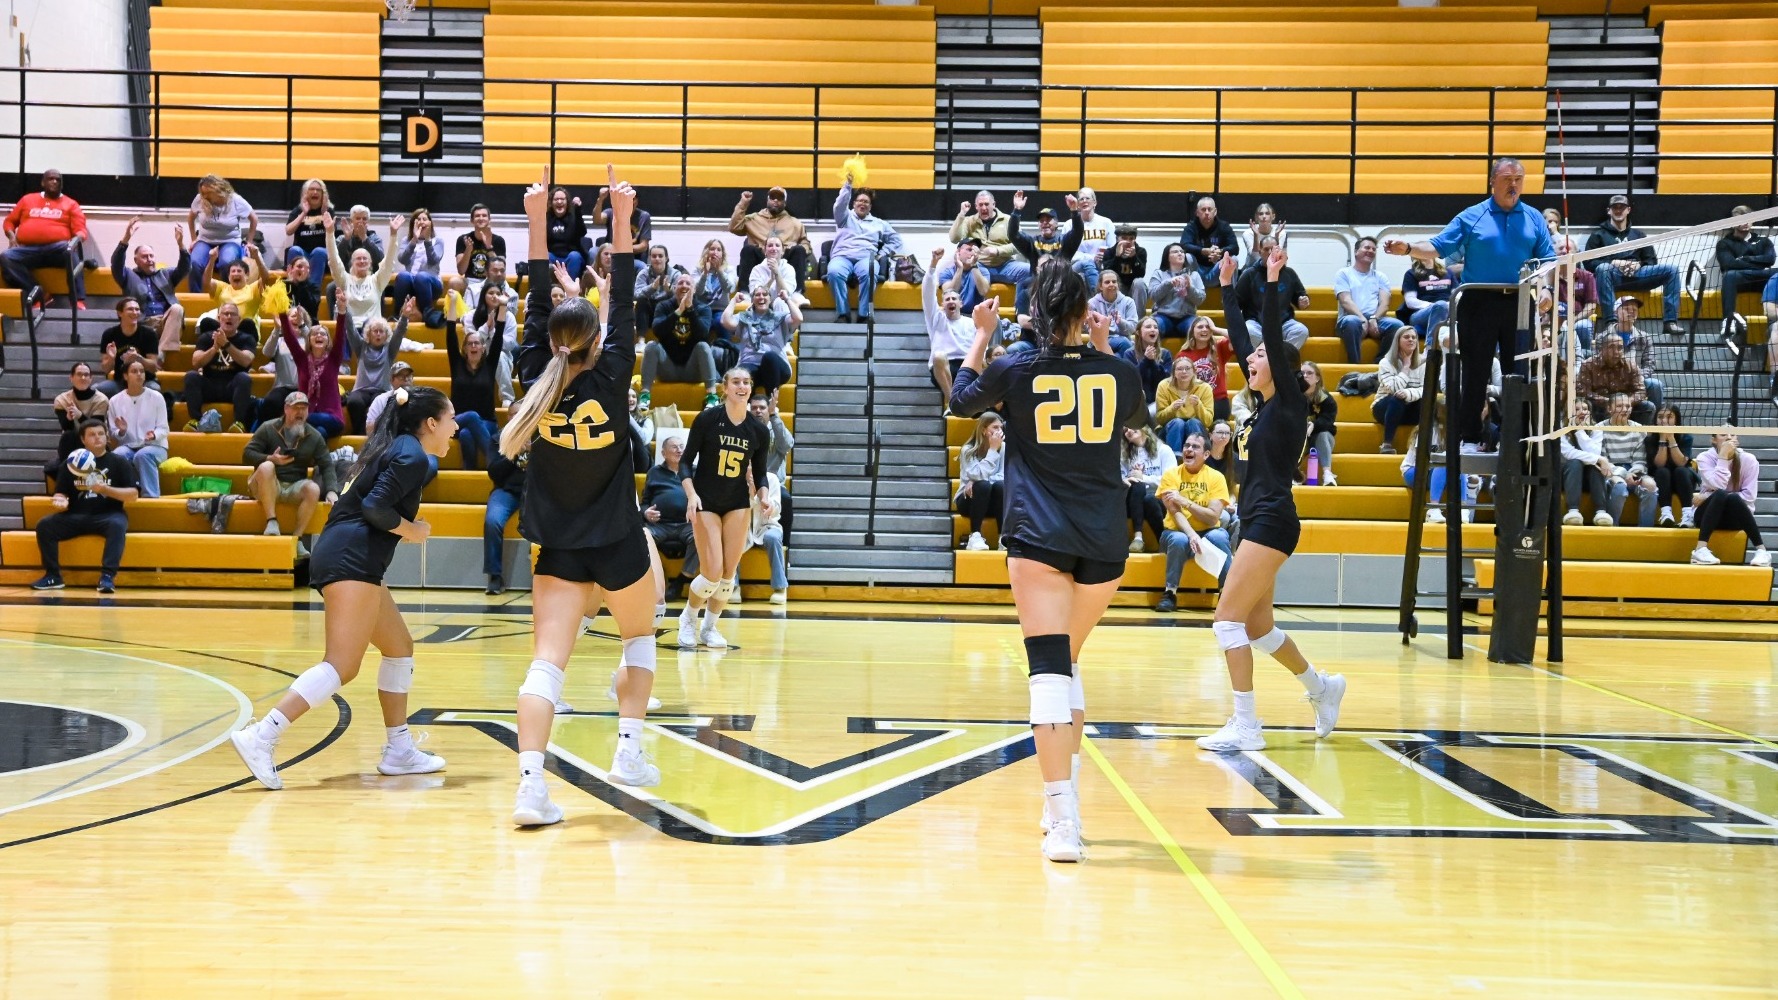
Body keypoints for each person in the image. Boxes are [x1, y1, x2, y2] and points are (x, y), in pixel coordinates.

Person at [949, 252, 1142, 863]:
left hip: (1041, 538)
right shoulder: (1120, 372)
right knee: (1069, 662)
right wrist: (1107, 350)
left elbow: (959, 399)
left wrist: (980, 337)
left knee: (1050, 674)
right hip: (1106, 543)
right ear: (1087, 313)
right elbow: (1133, 416)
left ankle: (1064, 819)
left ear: (1034, 312)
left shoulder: (1016, 367)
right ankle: (1065, 800)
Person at [498, 166, 661, 826]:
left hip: (557, 544)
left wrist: (536, 220)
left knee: (546, 666)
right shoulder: (614, 369)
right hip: (617, 539)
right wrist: (621, 218)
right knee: (640, 642)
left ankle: (530, 789)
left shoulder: (535, 367)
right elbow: (621, 296)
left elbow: (536, 298)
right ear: (597, 344)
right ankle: (629, 751)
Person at [228, 385, 455, 789]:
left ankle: (400, 750)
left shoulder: (396, 446)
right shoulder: (412, 455)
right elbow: (375, 508)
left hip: (349, 554)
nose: (454, 428)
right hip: (352, 557)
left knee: (399, 647)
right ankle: (261, 736)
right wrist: (412, 530)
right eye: (450, 419)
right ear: (431, 423)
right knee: (342, 664)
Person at [1197, 247, 1346, 755]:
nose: (1250, 357)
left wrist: (1274, 281)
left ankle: (1246, 725)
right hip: (1257, 520)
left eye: (1261, 356)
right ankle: (1323, 689)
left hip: (1272, 519)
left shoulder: (1285, 402)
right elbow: (1240, 336)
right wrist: (1226, 285)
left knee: (1226, 621)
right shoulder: (1261, 408)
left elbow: (1265, 332)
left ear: (1281, 368)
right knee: (1257, 627)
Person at [1384, 157, 1557, 447]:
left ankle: (1517, 438)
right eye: (1507, 179)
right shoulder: (1472, 215)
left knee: (1519, 375)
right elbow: (1438, 246)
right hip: (1478, 301)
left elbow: (1548, 261)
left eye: (1518, 179)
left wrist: (1546, 289)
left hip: (1519, 303)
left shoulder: (1534, 218)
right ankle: (1469, 437)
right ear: (1492, 182)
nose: (1513, 184)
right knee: (1475, 372)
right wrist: (1409, 249)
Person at [677, 368, 772, 649]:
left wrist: (764, 496)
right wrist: (691, 495)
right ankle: (688, 619)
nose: (741, 387)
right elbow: (685, 462)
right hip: (705, 501)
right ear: (725, 387)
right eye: (736, 382)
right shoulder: (708, 419)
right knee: (711, 573)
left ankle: (709, 628)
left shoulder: (758, 430)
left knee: (728, 577)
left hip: (737, 503)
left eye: (746, 382)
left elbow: (761, 472)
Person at [31, 419, 137, 593]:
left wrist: (105, 489)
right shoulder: (70, 464)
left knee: (118, 525)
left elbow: (133, 495)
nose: (97, 438)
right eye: (92, 435)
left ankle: (107, 577)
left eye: (101, 434)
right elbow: (60, 492)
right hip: (76, 515)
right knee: (45, 525)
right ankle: (53, 576)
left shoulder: (119, 462)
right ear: (83, 439)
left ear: (107, 437)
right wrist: (60, 500)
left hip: (109, 514)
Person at [244, 392, 338, 552]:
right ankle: (271, 521)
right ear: (286, 409)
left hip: (294, 486)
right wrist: (270, 458)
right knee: (267, 467)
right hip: (266, 484)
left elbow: (326, 464)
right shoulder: (268, 427)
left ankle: (297, 539)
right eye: (296, 408)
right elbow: (247, 455)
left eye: (304, 408)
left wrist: (331, 491)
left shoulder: (314, 436)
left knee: (313, 489)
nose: (300, 412)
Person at [1155, 431, 1233, 611]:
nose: (1189, 449)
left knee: (1219, 536)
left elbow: (1213, 517)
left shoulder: (1216, 477)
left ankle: (1227, 594)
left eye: (1195, 447)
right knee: (1179, 539)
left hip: (1207, 531)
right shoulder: (1171, 475)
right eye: (1186, 446)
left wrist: (1185, 502)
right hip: (1176, 532)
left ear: (1206, 454)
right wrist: (1192, 535)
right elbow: (1175, 512)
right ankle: (1170, 593)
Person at [1586, 195, 1684, 336]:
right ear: (1609, 211)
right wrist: (1614, 263)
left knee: (1672, 270)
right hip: (1612, 277)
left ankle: (1670, 322)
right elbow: (1589, 263)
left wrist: (1639, 264)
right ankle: (1611, 323)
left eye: (1622, 207)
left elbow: (1651, 261)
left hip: (1638, 276)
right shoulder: (1598, 235)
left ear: (1628, 210)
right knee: (1602, 268)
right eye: (1615, 208)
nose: (1618, 210)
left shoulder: (1639, 235)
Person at [4, 169, 90, 309]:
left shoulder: (71, 204)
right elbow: (9, 222)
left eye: (58, 180)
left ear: (61, 184)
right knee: (7, 256)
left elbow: (80, 229)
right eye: (50, 179)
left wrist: (76, 239)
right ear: (43, 182)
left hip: (57, 250)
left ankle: (78, 300)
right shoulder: (27, 199)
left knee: (68, 250)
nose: (54, 181)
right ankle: (40, 296)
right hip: (29, 250)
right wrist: (12, 237)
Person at [442, 287, 507, 470]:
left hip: (487, 422)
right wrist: (453, 303)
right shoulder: (457, 364)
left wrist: (502, 307)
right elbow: (450, 333)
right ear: (464, 348)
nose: (473, 345)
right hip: (457, 421)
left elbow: (499, 334)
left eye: (477, 343)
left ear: (483, 348)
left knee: (467, 435)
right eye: (469, 343)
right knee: (470, 417)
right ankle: (497, 463)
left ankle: (468, 470)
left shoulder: (490, 364)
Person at [827, 175, 903, 323]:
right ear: (854, 203)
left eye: (866, 202)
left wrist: (882, 254)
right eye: (860, 201)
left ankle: (864, 314)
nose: (863, 204)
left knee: (870, 271)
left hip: (866, 257)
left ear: (870, 206)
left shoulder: (879, 223)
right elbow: (839, 204)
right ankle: (843, 313)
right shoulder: (844, 216)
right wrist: (848, 185)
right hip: (842, 256)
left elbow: (896, 240)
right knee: (834, 271)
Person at [112, 217, 190, 357]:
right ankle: (158, 355)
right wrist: (126, 239)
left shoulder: (166, 274)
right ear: (136, 260)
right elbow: (116, 264)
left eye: (151, 256)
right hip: (142, 323)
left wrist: (180, 244)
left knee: (177, 308)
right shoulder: (128, 276)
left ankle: (160, 356)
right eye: (145, 257)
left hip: (165, 323)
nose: (150, 259)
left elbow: (185, 268)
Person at [1690, 431, 1770, 567]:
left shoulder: (1749, 460)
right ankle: (1700, 549)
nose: (1728, 437)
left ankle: (1762, 552)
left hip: (1735, 517)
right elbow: (1718, 485)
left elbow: (1749, 496)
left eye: (1733, 435)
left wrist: (1705, 496)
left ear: (1737, 439)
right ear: (1713, 440)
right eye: (1722, 435)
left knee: (1732, 497)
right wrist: (1723, 457)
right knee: (1721, 494)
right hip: (1705, 517)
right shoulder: (1705, 458)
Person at [641, 271, 718, 411]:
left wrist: (689, 310)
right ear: (674, 287)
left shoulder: (703, 308)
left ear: (694, 290)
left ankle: (712, 396)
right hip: (668, 368)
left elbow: (702, 333)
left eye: (688, 283)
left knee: (703, 346)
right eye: (680, 283)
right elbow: (657, 331)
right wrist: (678, 311)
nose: (684, 286)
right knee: (651, 345)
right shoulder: (663, 306)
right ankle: (645, 396)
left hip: (693, 370)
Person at [949, 191, 1032, 312]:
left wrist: (998, 251)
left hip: (1005, 265)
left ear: (994, 204)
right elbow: (954, 239)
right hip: (979, 265)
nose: (984, 208)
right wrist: (961, 214)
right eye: (980, 205)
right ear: (976, 206)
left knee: (1030, 270)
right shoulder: (969, 221)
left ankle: (1021, 310)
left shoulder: (1008, 220)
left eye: (987, 204)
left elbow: (1019, 245)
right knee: (965, 272)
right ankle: (969, 313)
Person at [277, 300, 348, 439]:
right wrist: (281, 312)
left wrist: (341, 312)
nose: (319, 336)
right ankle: (314, 460)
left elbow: (340, 335)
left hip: (331, 418)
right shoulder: (302, 359)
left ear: (328, 341)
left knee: (302, 419)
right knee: (319, 433)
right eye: (315, 334)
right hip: (310, 422)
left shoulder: (334, 359)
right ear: (308, 340)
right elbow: (290, 338)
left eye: (323, 334)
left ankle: (282, 423)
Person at [182, 304, 256, 430]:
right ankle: (195, 420)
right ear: (219, 318)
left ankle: (239, 423)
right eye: (225, 314)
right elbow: (196, 362)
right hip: (210, 386)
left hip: (233, 388)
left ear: (239, 319)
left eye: (233, 314)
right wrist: (214, 348)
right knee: (191, 376)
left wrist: (226, 344)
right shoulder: (206, 337)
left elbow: (246, 361)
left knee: (244, 378)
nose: (229, 317)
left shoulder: (247, 338)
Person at [644, 434, 701, 594]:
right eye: (674, 447)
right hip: (659, 525)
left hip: (688, 524)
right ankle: (657, 577)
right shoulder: (654, 472)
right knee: (641, 536)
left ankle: (681, 580)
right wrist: (645, 512)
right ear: (663, 453)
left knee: (702, 536)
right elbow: (644, 502)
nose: (679, 450)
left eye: (682, 446)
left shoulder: (695, 471)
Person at [1334, 236, 1404, 364]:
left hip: (1375, 319)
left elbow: (1385, 303)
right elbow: (1345, 301)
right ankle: (1354, 366)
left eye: (1373, 249)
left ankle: (1379, 364)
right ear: (1356, 251)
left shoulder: (1381, 276)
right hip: (1350, 319)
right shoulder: (1343, 273)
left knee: (1398, 326)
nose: (1371, 251)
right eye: (1367, 247)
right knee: (1352, 321)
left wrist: (1373, 318)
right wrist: (1362, 318)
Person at [325, 212, 402, 326]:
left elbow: (389, 261)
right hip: (351, 331)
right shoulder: (344, 280)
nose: (362, 261)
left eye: (365, 259)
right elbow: (334, 259)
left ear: (370, 263)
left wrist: (393, 234)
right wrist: (330, 233)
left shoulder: (377, 280)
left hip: (372, 332)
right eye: (358, 259)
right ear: (352, 263)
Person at [730, 186, 811, 295]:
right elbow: (734, 228)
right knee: (748, 249)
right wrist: (743, 203)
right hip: (761, 259)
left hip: (784, 260)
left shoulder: (795, 223)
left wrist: (792, 248)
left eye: (779, 198)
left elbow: (806, 244)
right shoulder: (754, 218)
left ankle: (797, 293)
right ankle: (745, 293)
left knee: (799, 250)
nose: (776, 200)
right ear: (768, 200)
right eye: (772, 197)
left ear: (785, 203)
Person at [106, 358, 169, 498]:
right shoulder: (115, 401)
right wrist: (121, 431)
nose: (139, 374)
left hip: (155, 446)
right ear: (125, 376)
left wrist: (154, 435)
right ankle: (120, 496)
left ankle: (151, 497)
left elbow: (164, 428)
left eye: (142, 371)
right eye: (134, 371)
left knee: (143, 455)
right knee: (117, 455)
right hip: (128, 445)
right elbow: (113, 432)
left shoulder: (156, 397)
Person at [342, 306, 410, 435]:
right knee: (354, 402)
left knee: (380, 403)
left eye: (381, 331)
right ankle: (359, 434)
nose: (378, 334)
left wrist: (405, 316)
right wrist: (344, 309)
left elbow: (400, 332)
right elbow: (350, 330)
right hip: (361, 390)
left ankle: (378, 435)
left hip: (381, 390)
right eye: (375, 331)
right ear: (369, 333)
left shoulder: (390, 349)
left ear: (386, 335)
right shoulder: (361, 346)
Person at [721, 286, 799, 396]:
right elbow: (725, 321)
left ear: (770, 299)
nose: (761, 297)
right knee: (743, 372)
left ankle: (771, 403)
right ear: (752, 300)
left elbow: (798, 318)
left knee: (769, 356)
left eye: (764, 294)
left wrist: (787, 299)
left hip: (776, 368)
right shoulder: (744, 317)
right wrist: (734, 301)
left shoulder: (780, 317)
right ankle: (746, 407)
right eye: (757, 295)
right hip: (750, 365)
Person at [923, 247, 976, 408]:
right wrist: (933, 264)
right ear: (942, 304)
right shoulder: (936, 319)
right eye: (947, 299)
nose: (951, 301)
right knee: (938, 356)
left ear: (961, 303)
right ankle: (952, 402)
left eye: (954, 298)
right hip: (944, 367)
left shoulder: (971, 322)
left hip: (967, 366)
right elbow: (927, 292)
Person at [186, 175, 257, 293]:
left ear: (218, 190)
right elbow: (190, 218)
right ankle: (196, 296)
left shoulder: (235, 200)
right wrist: (194, 239)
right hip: (205, 240)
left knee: (226, 262)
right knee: (194, 263)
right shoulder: (200, 199)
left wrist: (249, 242)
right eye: (203, 193)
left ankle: (225, 296)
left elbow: (254, 219)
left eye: (208, 193)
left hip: (230, 241)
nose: (205, 196)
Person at [1236, 237, 1310, 349]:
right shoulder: (1249, 274)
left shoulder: (1289, 273)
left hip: (1284, 323)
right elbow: (1236, 303)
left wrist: (1303, 301)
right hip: (1257, 324)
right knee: (1248, 330)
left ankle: (1282, 359)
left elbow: (1300, 297)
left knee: (1301, 331)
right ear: (1260, 252)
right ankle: (1267, 358)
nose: (1270, 252)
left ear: (1279, 250)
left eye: (1273, 249)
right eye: (1266, 249)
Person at [1716, 205, 1776, 339]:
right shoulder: (1724, 243)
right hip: (1739, 280)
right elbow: (1728, 264)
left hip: (1761, 279)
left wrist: (1744, 259)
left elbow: (1770, 259)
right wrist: (1758, 263)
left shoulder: (1763, 241)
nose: (1745, 222)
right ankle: (1728, 321)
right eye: (1741, 219)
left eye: (1748, 218)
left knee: (1776, 273)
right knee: (1730, 275)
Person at [1598, 296, 1665, 408]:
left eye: (1634, 310)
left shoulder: (1645, 337)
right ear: (1616, 311)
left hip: (1637, 380)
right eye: (1626, 309)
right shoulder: (1603, 337)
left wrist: (1637, 377)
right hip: (1610, 381)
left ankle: (1656, 422)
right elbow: (1598, 363)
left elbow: (1649, 364)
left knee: (1655, 384)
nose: (1631, 312)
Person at [1120, 423, 1174, 553]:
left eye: (1132, 426)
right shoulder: (1125, 456)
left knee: (1149, 499)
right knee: (1137, 485)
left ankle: (1163, 542)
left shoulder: (1164, 450)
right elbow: (1118, 478)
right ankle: (1138, 538)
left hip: (1158, 499)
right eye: (1126, 430)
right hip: (1132, 499)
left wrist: (1144, 477)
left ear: (1144, 427)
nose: (1129, 431)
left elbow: (1171, 480)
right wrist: (1126, 480)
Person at [1403, 426, 1474, 525]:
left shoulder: (1455, 430)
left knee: (1457, 464)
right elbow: (1420, 459)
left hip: (1435, 473)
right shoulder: (1429, 428)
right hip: (1414, 471)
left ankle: (1462, 508)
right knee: (1442, 463)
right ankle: (1433, 508)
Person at [955, 412, 1004, 551]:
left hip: (992, 502)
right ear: (983, 429)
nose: (999, 431)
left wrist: (977, 480)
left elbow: (1003, 476)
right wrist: (993, 450)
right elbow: (975, 474)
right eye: (995, 427)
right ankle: (975, 536)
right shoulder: (968, 450)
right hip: (968, 501)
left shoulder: (1004, 448)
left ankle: (1003, 537)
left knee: (1001, 486)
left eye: (1000, 428)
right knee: (982, 486)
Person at [1576, 333, 1653, 423]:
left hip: (1625, 406)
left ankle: (1641, 436)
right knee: (1589, 406)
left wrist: (1626, 402)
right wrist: (1608, 402)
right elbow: (1583, 391)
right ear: (1602, 349)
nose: (1616, 351)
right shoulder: (1588, 365)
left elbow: (1641, 391)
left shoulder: (1631, 365)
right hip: (1600, 407)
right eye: (1611, 347)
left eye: (1620, 348)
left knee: (1648, 406)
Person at [1371, 327, 1425, 454]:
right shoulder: (1386, 362)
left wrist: (1408, 393)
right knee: (1396, 399)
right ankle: (1387, 444)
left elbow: (1425, 389)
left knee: (1429, 403)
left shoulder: (1423, 363)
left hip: (1410, 408)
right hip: (1385, 408)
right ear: (1397, 341)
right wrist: (1406, 367)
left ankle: (1424, 446)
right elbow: (1394, 388)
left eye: (1414, 337)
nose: (1411, 340)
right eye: (1406, 337)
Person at [96, 298, 163, 397]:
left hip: (145, 382)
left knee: (155, 390)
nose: (135, 312)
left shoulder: (149, 334)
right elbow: (106, 369)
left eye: (137, 309)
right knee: (96, 390)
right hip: (120, 382)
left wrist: (139, 358)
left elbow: (153, 367)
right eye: (130, 309)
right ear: (120, 313)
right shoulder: (109, 334)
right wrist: (111, 358)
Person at [392, 209, 446, 327]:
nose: (421, 222)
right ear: (413, 224)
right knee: (403, 275)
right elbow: (402, 259)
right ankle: (397, 314)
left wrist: (427, 240)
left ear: (430, 223)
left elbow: (434, 260)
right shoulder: (406, 240)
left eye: (424, 219)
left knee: (421, 276)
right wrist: (414, 240)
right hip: (411, 284)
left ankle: (428, 314)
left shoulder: (438, 241)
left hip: (431, 284)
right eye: (418, 220)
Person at [1645, 403, 1696, 528]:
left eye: (1669, 417)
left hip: (1683, 480)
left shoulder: (1686, 437)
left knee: (1681, 471)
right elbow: (1659, 464)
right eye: (1661, 417)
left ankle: (1688, 515)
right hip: (1662, 481)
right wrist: (1663, 439)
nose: (1664, 421)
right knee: (1663, 471)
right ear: (1655, 420)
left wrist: (1671, 438)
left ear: (1676, 419)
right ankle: (1666, 514)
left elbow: (1681, 462)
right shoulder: (1650, 439)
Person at [49, 363, 109, 469]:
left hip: (96, 440)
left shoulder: (101, 399)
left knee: (93, 436)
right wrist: (69, 418)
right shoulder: (62, 399)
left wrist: (80, 415)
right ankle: (67, 471)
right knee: (68, 436)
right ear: (71, 378)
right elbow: (66, 427)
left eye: (86, 375)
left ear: (91, 379)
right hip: (73, 442)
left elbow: (95, 428)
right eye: (79, 374)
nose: (83, 378)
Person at [485, 446, 526, 595]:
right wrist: (514, 452)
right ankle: (495, 576)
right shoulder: (499, 438)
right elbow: (494, 473)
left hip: (536, 491)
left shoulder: (542, 434)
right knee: (493, 520)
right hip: (506, 490)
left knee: (549, 517)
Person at [1177, 315, 1234, 421]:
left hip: (1218, 401)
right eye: (1200, 327)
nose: (1204, 329)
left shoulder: (1219, 348)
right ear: (1192, 331)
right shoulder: (1183, 355)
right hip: (1194, 402)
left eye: (1208, 327)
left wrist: (1215, 328)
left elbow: (1238, 338)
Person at [1156, 352, 1214, 454]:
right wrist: (1172, 408)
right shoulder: (1164, 386)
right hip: (1171, 427)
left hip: (1195, 426)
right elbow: (1160, 419)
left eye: (1187, 368)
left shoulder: (1205, 388)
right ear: (1173, 372)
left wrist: (1198, 405)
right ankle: (1174, 458)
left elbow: (1208, 422)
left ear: (1194, 372)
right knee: (1178, 423)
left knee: (1193, 422)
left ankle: (1196, 456)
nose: (1184, 372)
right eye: (1179, 369)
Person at [1146, 242, 1206, 338]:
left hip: (1187, 316)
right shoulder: (1159, 273)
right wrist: (1168, 283)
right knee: (1152, 327)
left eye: (1182, 251)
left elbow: (1200, 300)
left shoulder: (1194, 275)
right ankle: (1151, 353)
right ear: (1167, 257)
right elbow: (1153, 296)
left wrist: (1189, 288)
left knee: (1198, 329)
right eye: (1175, 252)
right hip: (1163, 316)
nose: (1180, 253)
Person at [450, 203, 507, 299]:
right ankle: (459, 313)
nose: (481, 218)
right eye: (477, 216)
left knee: (499, 280)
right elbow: (461, 271)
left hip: (491, 281)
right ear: (471, 220)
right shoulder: (463, 239)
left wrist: (489, 248)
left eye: (484, 215)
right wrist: (468, 250)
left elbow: (500, 271)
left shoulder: (499, 240)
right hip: (470, 281)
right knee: (454, 281)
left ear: (489, 219)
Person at [1180, 195, 1238, 286]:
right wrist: (1202, 251)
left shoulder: (1224, 226)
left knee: (1232, 259)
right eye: (1203, 210)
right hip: (1197, 272)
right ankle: (1188, 296)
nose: (1207, 213)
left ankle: (1229, 298)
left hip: (1217, 270)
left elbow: (1235, 247)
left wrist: (1220, 252)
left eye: (1209, 209)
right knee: (1187, 257)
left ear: (1215, 212)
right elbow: (1184, 245)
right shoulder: (1191, 227)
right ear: (1197, 213)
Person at [283, 179, 332, 282]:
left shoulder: (328, 211)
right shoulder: (298, 210)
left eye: (318, 190)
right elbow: (288, 231)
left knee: (318, 251)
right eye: (312, 189)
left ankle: (312, 293)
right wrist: (303, 213)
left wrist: (324, 213)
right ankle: (293, 288)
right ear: (305, 193)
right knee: (294, 250)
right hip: (303, 253)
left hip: (321, 255)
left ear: (323, 194)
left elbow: (331, 232)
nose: (315, 192)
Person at [1064, 187, 1114, 288]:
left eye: (1087, 198)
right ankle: (1096, 296)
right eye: (1081, 199)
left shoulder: (1106, 222)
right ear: (1077, 204)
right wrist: (1091, 258)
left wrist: (1105, 256)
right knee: (1084, 268)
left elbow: (1112, 248)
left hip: (1101, 266)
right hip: (1077, 267)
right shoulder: (1069, 224)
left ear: (1095, 203)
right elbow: (1067, 254)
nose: (1084, 201)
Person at [1118, 316, 1171, 404]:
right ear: (1138, 332)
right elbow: (1131, 379)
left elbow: (1165, 381)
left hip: (1160, 401)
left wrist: (1152, 363)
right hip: (1137, 401)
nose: (1153, 329)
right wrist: (1146, 361)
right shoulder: (1129, 354)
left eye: (1155, 327)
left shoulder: (1165, 354)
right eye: (1148, 327)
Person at [1400, 256, 1454, 342]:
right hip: (1420, 314)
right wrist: (1436, 307)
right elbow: (1410, 302)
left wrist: (1446, 307)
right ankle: (1430, 349)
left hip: (1447, 311)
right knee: (1441, 306)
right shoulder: (1411, 274)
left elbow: (1457, 295)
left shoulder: (1448, 273)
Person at [1302, 361, 1338, 485]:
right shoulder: (1293, 396)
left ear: (1317, 378)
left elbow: (1328, 421)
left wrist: (1314, 425)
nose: (1305, 376)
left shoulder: (1326, 399)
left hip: (1321, 438)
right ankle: (1292, 474)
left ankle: (1327, 474)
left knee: (1323, 434)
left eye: (1309, 373)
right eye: (1302, 373)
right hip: (1300, 438)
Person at [544, 186, 589, 279]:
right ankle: (550, 290)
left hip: (570, 257)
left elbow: (582, 232)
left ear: (567, 202)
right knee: (545, 256)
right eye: (556, 199)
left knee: (575, 256)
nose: (559, 202)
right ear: (551, 203)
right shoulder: (546, 218)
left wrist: (578, 211)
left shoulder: (574, 216)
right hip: (553, 256)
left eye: (562, 199)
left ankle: (570, 290)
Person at [937, 237, 991, 312]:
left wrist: (974, 266)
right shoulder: (947, 272)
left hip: (975, 315)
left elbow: (983, 291)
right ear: (958, 252)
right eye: (969, 250)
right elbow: (949, 293)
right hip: (953, 314)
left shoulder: (983, 271)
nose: (973, 253)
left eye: (976, 250)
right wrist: (960, 268)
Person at [1100, 223, 1147, 305]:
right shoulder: (1109, 252)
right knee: (1110, 283)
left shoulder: (1140, 251)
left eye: (1131, 238)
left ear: (1135, 239)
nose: (1128, 242)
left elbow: (1141, 274)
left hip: (1133, 287)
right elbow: (1107, 274)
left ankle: (1139, 317)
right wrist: (1117, 257)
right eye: (1124, 238)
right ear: (1117, 239)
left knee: (1140, 283)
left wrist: (1134, 258)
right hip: (1117, 286)